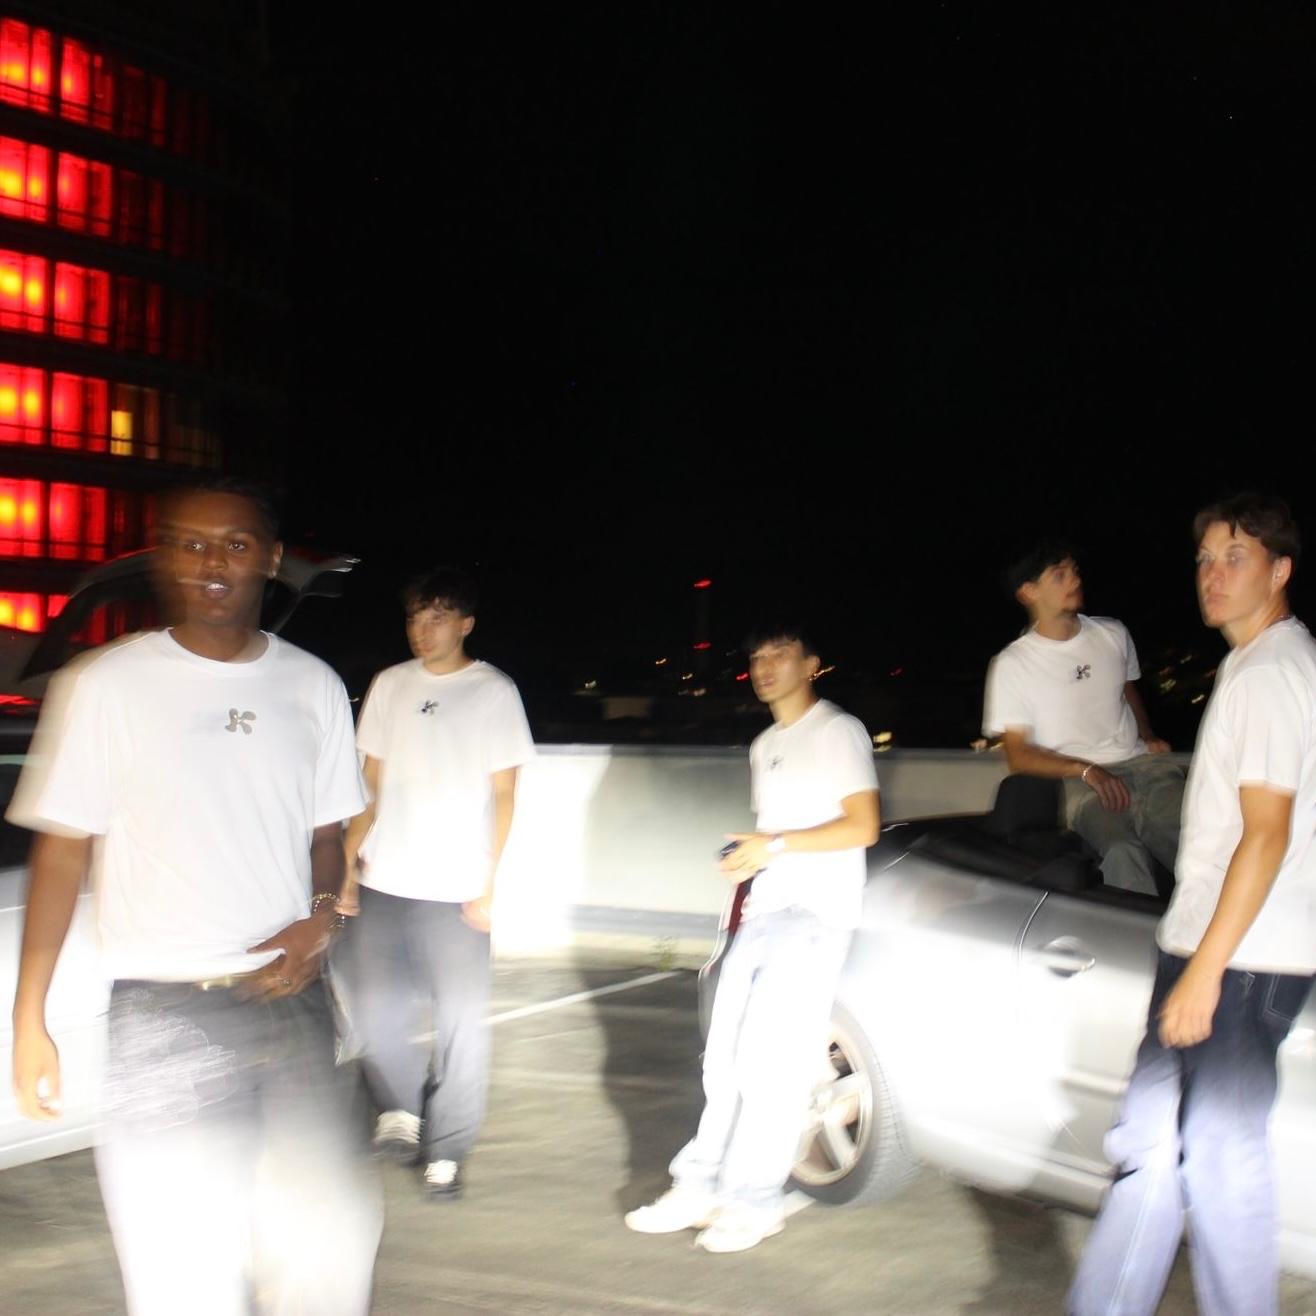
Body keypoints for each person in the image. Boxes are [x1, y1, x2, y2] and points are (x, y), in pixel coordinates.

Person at [9, 478, 380, 1315]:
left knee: (328, 1246)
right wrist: (29, 1018)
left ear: (271, 560)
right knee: (179, 1266)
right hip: (162, 1013)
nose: (212, 562)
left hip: (292, 1003)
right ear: (164, 556)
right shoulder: (105, 684)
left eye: (235, 544)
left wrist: (321, 921)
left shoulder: (312, 685)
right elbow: (61, 852)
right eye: (191, 542)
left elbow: (327, 837)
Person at [1070, 494, 1316, 1316]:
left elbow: (1267, 835)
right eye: (1205, 559)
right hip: (1213, 947)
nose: (1213, 574)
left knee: (1218, 1158)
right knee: (1149, 1143)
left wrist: (1206, 971)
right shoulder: (1254, 665)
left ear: (1280, 571)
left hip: (1243, 960)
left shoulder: (1273, 673)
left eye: (1235, 557)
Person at [624, 622, 879, 1253]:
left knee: (770, 1065)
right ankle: (701, 1186)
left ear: (811, 664)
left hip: (815, 916)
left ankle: (756, 1201)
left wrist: (776, 845)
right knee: (724, 1063)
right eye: (758, 657)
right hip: (764, 912)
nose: (765, 666)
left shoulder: (837, 730)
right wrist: (751, 859)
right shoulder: (766, 744)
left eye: (780, 655)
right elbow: (777, 835)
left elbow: (863, 826)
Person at [338, 566, 534, 1199]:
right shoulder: (390, 685)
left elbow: (505, 794)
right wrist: (346, 863)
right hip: (384, 881)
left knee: (460, 1025)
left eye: (438, 617)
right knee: (374, 1011)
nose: (423, 629)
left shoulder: (492, 691)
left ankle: (446, 1149)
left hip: (456, 888)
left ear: (466, 624)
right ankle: (400, 1106)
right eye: (416, 617)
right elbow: (369, 783)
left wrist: (492, 881)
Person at [983, 543, 1183, 895]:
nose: (1075, 579)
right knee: (1122, 851)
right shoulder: (1013, 664)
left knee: (1191, 838)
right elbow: (1018, 755)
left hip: (1144, 766)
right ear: (1029, 592)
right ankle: (1131, 928)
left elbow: (1126, 688)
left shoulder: (1113, 633)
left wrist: (1148, 733)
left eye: (1074, 570)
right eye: (1059, 575)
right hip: (1080, 783)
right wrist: (1086, 770)